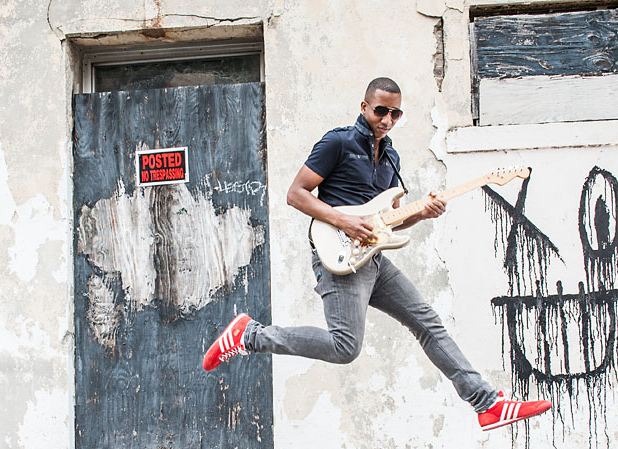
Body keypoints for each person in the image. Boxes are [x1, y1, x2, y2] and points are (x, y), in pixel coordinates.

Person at [202, 77, 551, 431]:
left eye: (395, 113)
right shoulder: (337, 142)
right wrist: (346, 221)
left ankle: (487, 403)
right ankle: (249, 335)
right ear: (365, 106)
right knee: (344, 347)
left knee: (427, 322)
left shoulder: (391, 158)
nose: (386, 119)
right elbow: (296, 194)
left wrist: (421, 213)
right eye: (381, 110)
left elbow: (389, 223)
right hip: (339, 255)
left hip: (372, 257)